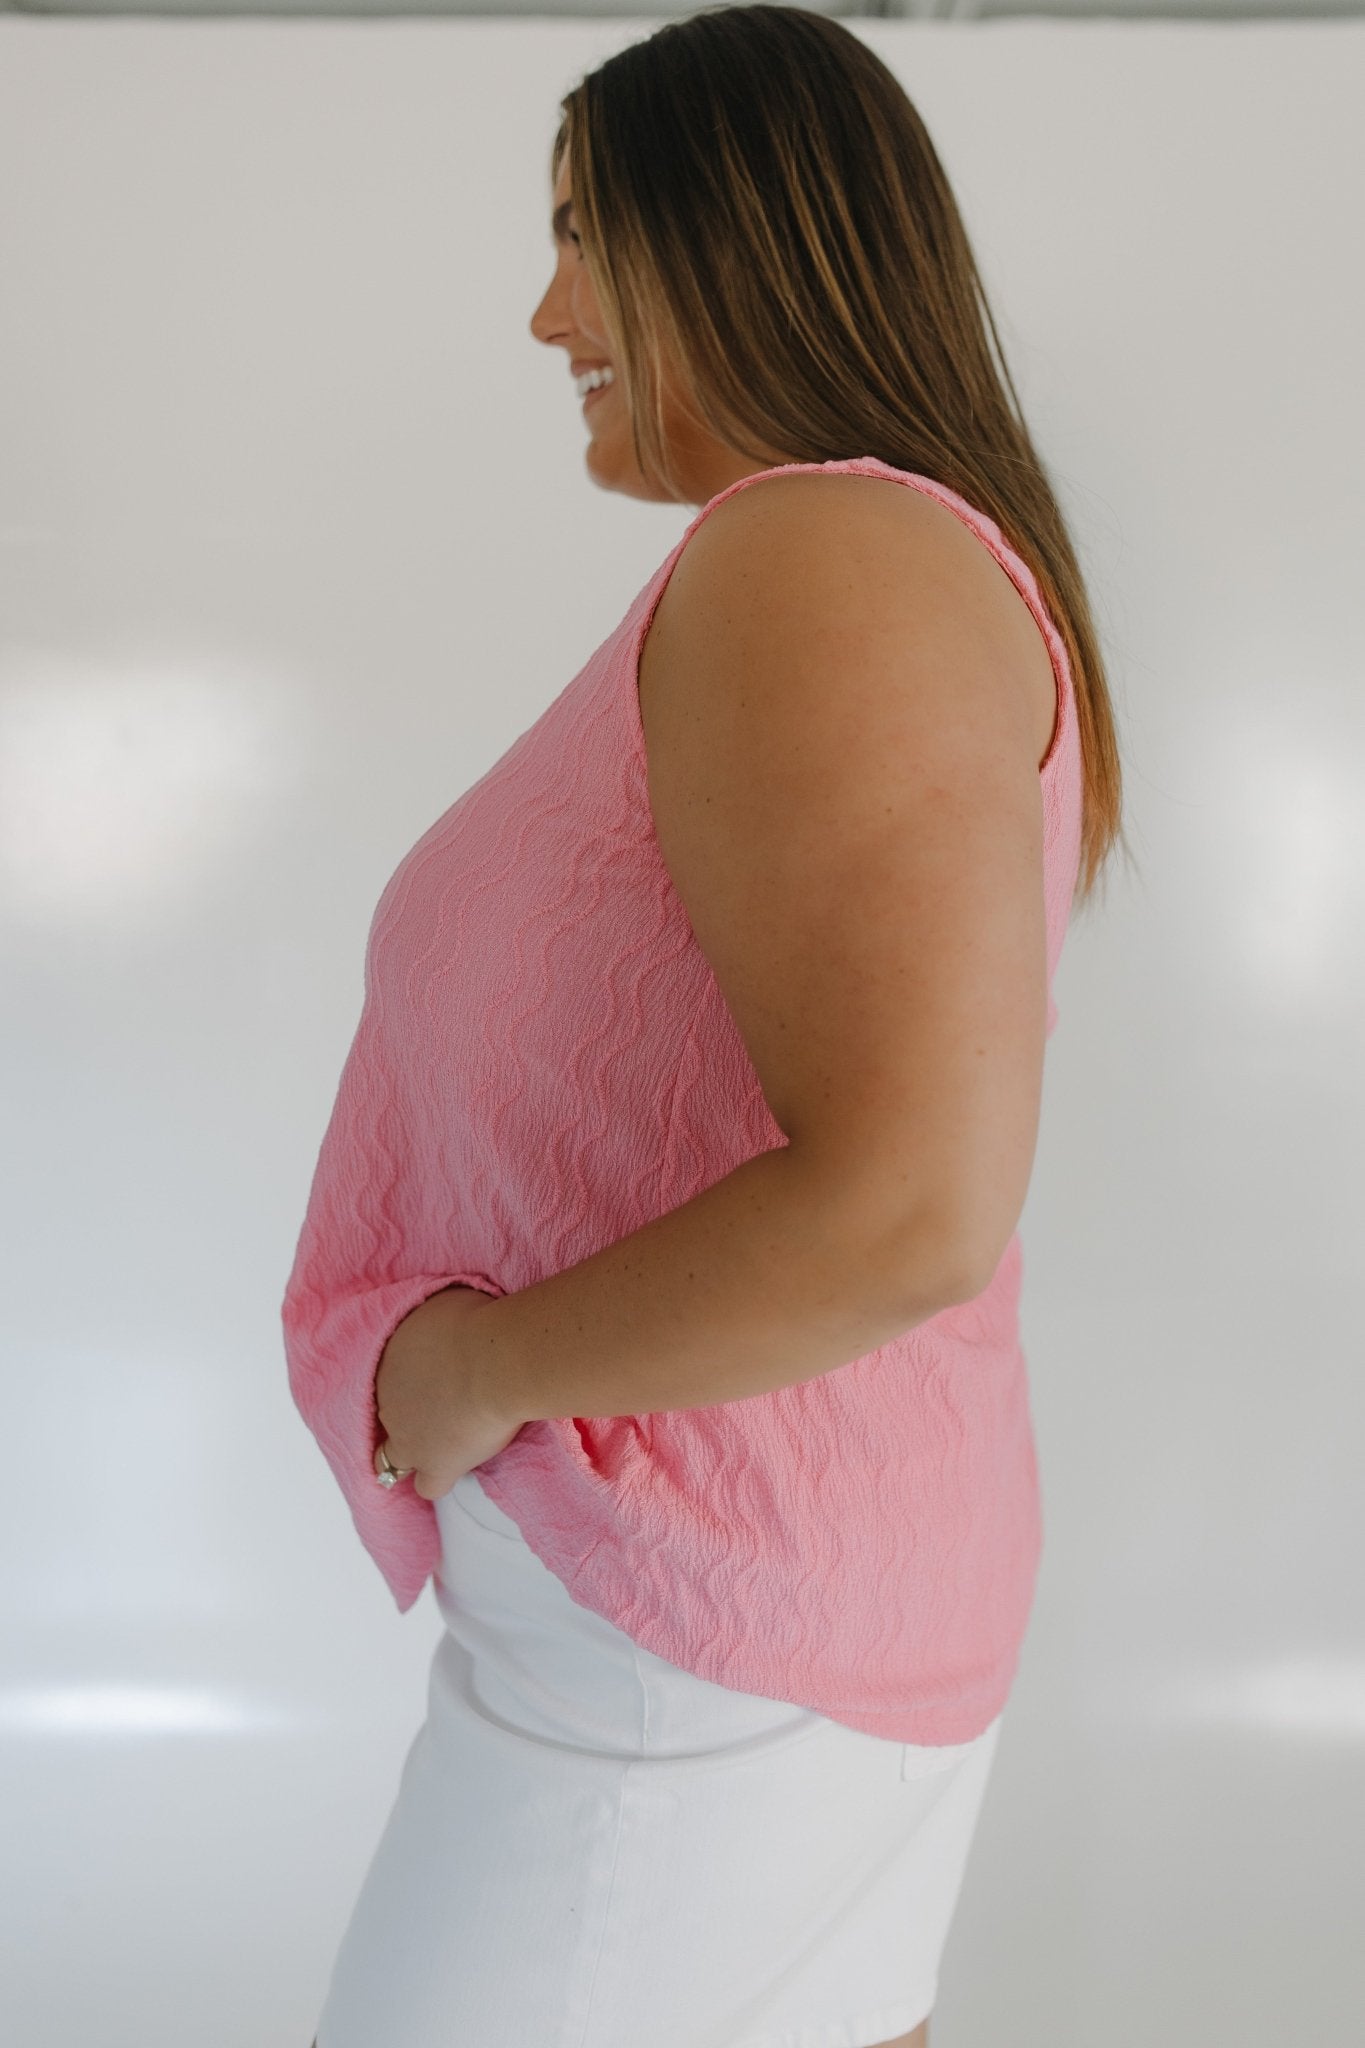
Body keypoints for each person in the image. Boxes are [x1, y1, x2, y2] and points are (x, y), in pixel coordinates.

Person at [287, 9, 1131, 2045]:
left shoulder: (818, 552)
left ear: (734, 229)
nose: (543, 308)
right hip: (737, 1630)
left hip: (687, 1650)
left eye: (585, 227)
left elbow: (906, 1204)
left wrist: (475, 1368)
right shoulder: (848, 562)